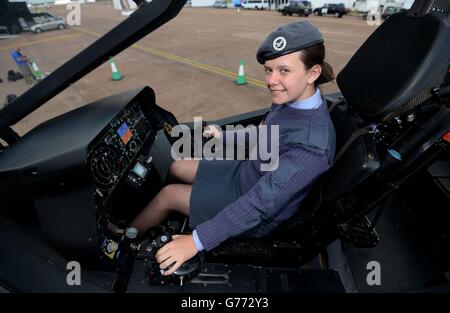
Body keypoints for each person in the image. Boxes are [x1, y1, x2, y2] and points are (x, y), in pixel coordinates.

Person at [118, 21, 336, 275]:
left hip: (255, 210)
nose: (272, 81)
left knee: (168, 195)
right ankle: (161, 214)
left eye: (284, 70)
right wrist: (224, 137)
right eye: (268, 70)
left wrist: (196, 241)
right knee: (177, 164)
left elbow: (260, 204)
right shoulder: (291, 98)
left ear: (312, 73)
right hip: (246, 174)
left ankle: (123, 240)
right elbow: (265, 134)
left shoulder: (312, 146)